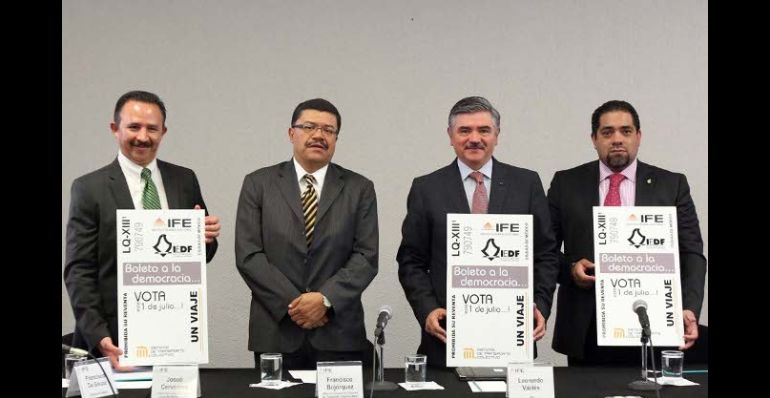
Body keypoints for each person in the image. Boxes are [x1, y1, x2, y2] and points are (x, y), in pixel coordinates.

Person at [397, 96, 559, 367]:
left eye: (484, 130)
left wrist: (540, 307)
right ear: (450, 136)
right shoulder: (427, 188)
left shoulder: (526, 184)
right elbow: (411, 261)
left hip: (513, 337)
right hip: (447, 337)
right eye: (464, 130)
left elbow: (546, 255)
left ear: (497, 135)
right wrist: (427, 310)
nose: (475, 138)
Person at [64, 90, 221, 369]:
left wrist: (204, 238)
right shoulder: (89, 188)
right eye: (133, 127)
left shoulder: (184, 179)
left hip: (176, 333)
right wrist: (99, 335)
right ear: (115, 129)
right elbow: (79, 270)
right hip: (114, 340)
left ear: (164, 132)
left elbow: (203, 255)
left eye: (152, 128)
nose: (143, 136)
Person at [548, 100, 707, 365]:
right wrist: (572, 269)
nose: (617, 139)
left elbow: (691, 253)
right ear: (594, 139)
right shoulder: (566, 183)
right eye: (607, 132)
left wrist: (689, 307)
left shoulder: (671, 185)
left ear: (639, 136)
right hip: (587, 327)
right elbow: (545, 252)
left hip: (653, 320)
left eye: (626, 131)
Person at [235, 98, 378, 369]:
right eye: (309, 126)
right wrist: (297, 305)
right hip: (277, 333)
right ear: (291, 133)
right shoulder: (258, 184)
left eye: (328, 130)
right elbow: (249, 255)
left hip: (338, 334)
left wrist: (324, 300)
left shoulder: (359, 188)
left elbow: (366, 257)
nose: (318, 136)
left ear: (336, 138)